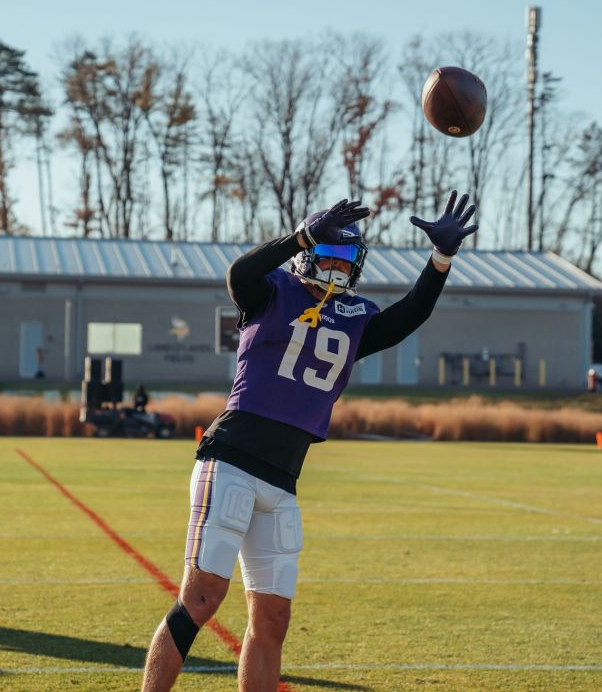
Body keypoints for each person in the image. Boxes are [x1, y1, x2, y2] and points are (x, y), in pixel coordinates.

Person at [139, 191, 479, 692]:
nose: (339, 266)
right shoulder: (272, 290)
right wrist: (298, 236)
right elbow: (240, 274)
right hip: (231, 458)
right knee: (202, 598)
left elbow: (410, 315)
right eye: (329, 253)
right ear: (308, 250)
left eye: (348, 259)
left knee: (273, 620)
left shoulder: (358, 316)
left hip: (283, 479)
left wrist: (441, 259)